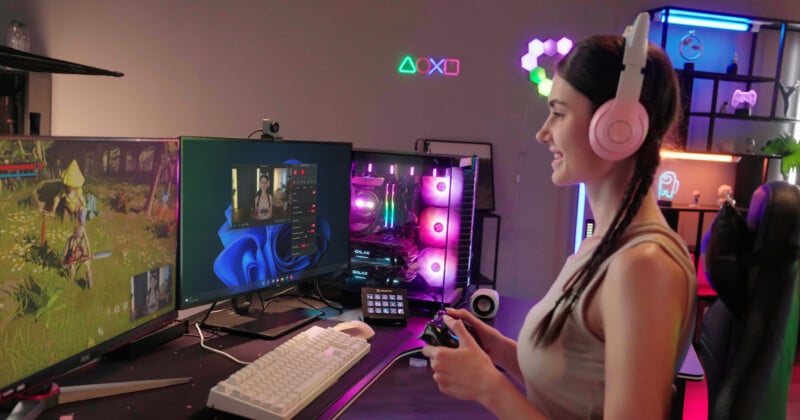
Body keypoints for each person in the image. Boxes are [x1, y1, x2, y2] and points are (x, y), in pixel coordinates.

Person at [422, 18, 697, 419]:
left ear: (616, 129)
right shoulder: (605, 244)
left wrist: (489, 386)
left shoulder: (642, 267)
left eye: (559, 113)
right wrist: (496, 350)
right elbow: (580, 383)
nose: (543, 133)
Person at [62, 224, 93, 288]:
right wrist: (64, 258)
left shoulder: (83, 237)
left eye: (80, 237)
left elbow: (87, 244)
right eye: (77, 237)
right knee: (72, 267)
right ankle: (71, 278)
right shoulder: (71, 240)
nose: (79, 238)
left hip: (81, 255)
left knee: (87, 265)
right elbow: (67, 250)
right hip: (73, 256)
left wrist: (88, 254)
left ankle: (89, 279)